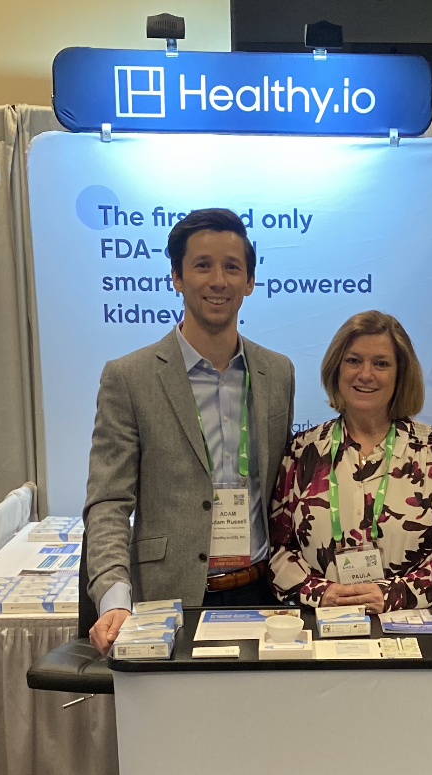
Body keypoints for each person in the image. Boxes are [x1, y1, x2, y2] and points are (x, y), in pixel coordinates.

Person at [85, 208, 295, 655]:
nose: (218, 280)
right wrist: (114, 599)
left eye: (231, 267)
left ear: (249, 282)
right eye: (202, 265)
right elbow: (108, 502)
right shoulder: (129, 377)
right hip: (166, 598)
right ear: (177, 278)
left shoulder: (278, 372)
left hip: (263, 595)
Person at [269, 310, 432, 611]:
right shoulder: (302, 452)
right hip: (325, 626)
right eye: (353, 360)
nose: (365, 374)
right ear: (336, 368)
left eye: (381, 363)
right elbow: (279, 550)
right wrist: (319, 593)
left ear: (400, 374)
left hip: (415, 630)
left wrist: (395, 595)